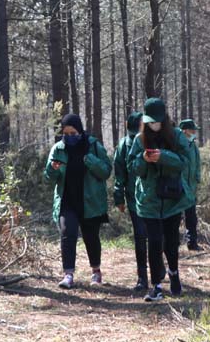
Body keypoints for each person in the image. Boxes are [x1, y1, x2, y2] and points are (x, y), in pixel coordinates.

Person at [128, 97, 195, 302]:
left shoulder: (176, 136)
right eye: (150, 121)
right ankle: (156, 285)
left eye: (156, 121)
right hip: (148, 200)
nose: (153, 125)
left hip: (172, 199)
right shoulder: (139, 139)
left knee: (171, 243)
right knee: (154, 243)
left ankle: (174, 274)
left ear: (164, 119)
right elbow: (133, 167)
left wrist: (163, 156)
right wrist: (144, 159)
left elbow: (185, 162)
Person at [43, 113, 112, 289]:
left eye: (73, 132)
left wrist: (90, 160)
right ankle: (68, 274)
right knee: (67, 234)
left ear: (80, 131)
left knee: (91, 237)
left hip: (90, 201)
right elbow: (48, 177)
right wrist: (52, 169)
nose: (69, 136)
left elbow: (106, 171)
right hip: (67, 201)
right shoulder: (58, 148)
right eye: (66, 133)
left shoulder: (93, 146)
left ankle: (96, 271)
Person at [113, 110, 148, 292]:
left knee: (157, 237)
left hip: (154, 199)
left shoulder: (151, 140)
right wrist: (119, 197)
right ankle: (142, 277)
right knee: (140, 237)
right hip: (135, 199)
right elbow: (119, 175)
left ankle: (158, 270)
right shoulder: (124, 146)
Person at [178, 119, 202, 251]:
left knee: (191, 217)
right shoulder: (177, 144)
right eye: (192, 130)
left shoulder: (193, 145)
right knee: (175, 218)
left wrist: (197, 179)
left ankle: (192, 244)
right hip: (179, 187)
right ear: (185, 131)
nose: (194, 132)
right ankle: (172, 244)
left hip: (191, 188)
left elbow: (197, 163)